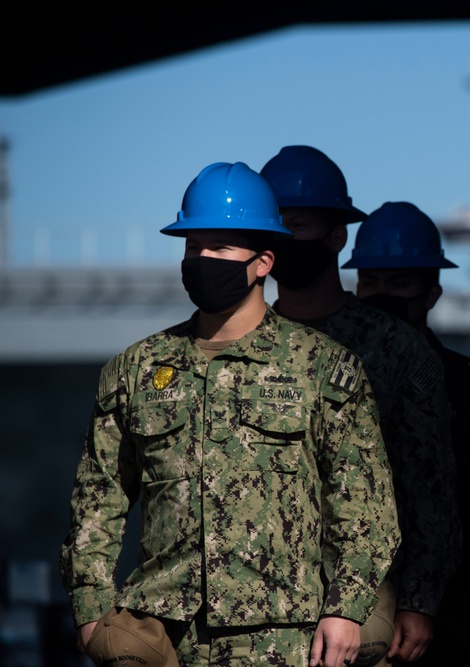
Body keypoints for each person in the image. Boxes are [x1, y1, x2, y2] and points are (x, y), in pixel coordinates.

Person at [58, 161, 400, 667]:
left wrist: (346, 610)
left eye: (219, 249)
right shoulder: (135, 369)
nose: (201, 260)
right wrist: (92, 614)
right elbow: (97, 499)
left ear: (263, 262)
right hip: (160, 638)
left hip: (287, 636)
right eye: (193, 247)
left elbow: (363, 504)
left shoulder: (324, 367)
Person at [259, 146, 461, 665]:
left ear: (336, 236)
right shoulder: (243, 346)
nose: (283, 236)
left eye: (298, 223)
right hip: (260, 601)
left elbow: (430, 489)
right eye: (273, 223)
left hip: (369, 603)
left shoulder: (398, 350)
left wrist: (419, 602)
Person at [342, 201, 470, 666]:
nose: (381, 295)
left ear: (432, 292)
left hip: (447, 601)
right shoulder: (329, 373)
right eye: (370, 282)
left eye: (399, 284)